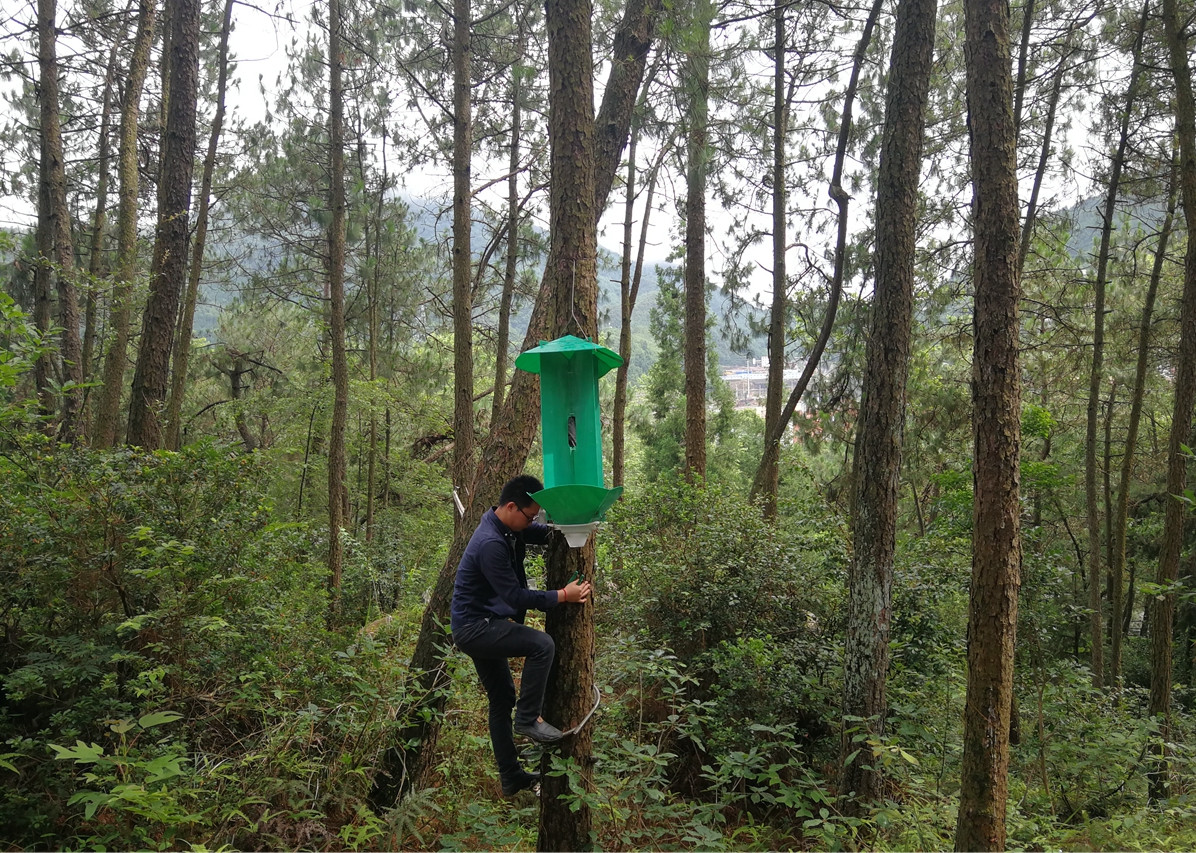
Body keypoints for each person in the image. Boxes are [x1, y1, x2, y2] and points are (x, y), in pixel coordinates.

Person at [450, 474, 592, 797]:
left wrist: (564, 526)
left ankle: (512, 777)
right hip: (475, 627)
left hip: (481, 621)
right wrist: (562, 595)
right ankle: (528, 720)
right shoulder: (490, 543)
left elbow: (536, 532)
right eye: (529, 516)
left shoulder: (507, 526)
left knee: (501, 699)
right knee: (542, 644)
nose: (531, 522)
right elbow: (516, 597)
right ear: (512, 506)